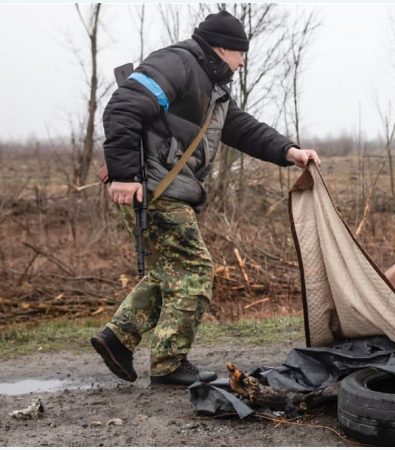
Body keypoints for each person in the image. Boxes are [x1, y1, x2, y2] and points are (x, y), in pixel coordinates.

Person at [91, 10, 320, 386]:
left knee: (171, 271)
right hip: (154, 187)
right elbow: (123, 107)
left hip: (167, 188)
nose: (244, 62)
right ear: (222, 47)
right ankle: (167, 363)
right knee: (195, 270)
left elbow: (243, 128)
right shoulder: (178, 62)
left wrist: (288, 151)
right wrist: (124, 174)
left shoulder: (212, 86)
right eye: (241, 53)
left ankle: (118, 338)